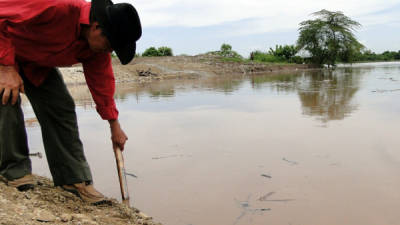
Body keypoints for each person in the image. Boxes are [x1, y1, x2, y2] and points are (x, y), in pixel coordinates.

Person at [0, 0, 142, 204]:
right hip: (4, 50)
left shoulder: (96, 50)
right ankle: (14, 171)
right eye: (110, 45)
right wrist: (5, 67)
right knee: (7, 95)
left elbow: (102, 84)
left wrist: (114, 125)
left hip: (36, 64)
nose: (108, 52)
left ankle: (72, 179)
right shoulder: (56, 7)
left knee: (62, 107)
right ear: (96, 27)